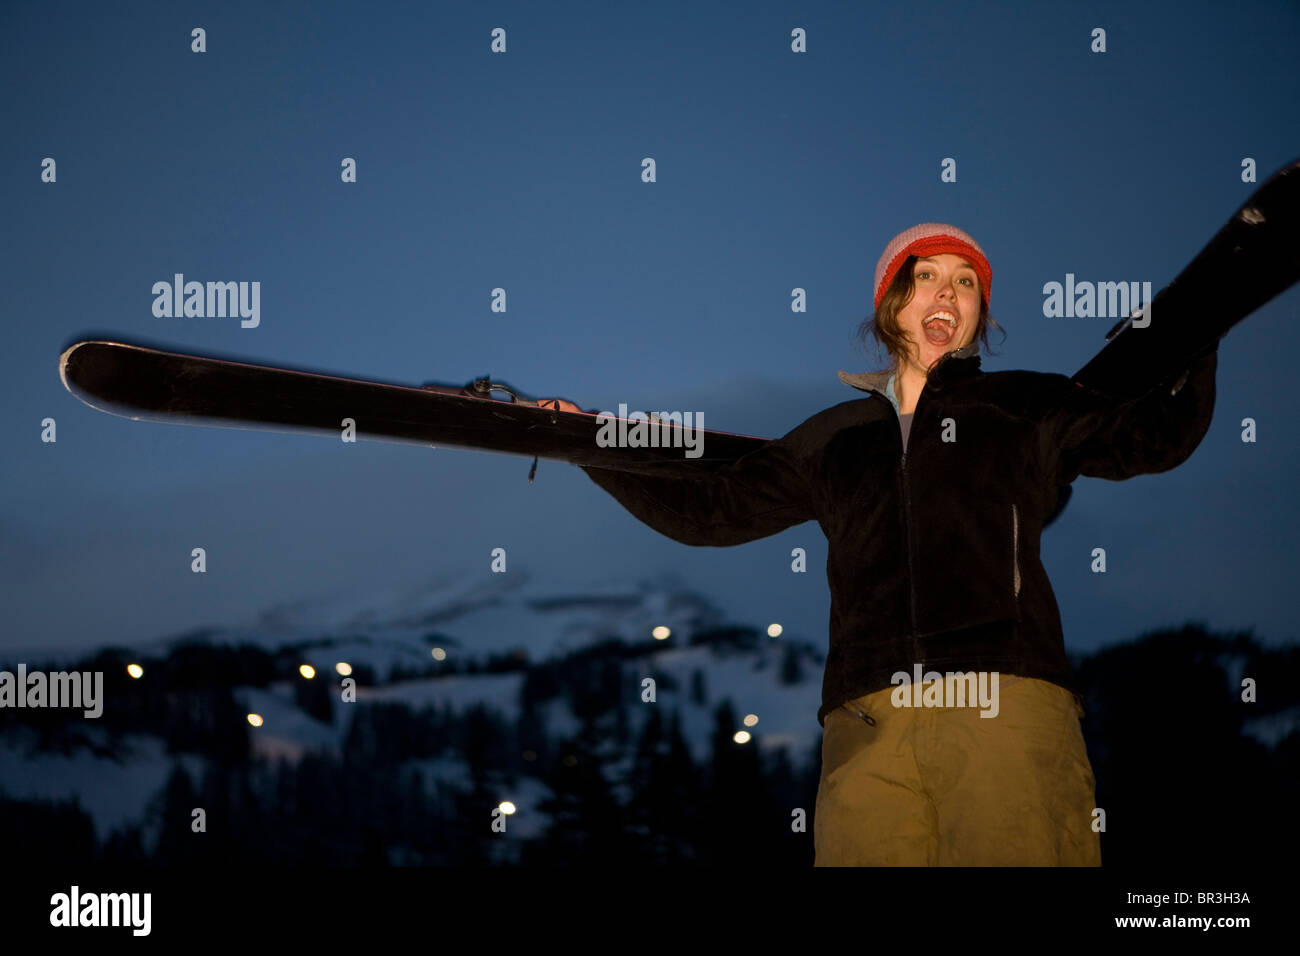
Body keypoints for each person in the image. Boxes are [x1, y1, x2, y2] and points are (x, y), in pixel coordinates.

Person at [542, 223, 1218, 866]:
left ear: (980, 313)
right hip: (866, 722)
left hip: (1001, 704)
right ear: (891, 302)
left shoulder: (1027, 408)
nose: (947, 294)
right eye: (926, 276)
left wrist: (1188, 342)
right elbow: (710, 512)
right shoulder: (832, 438)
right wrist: (587, 446)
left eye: (966, 283)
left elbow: (1150, 439)